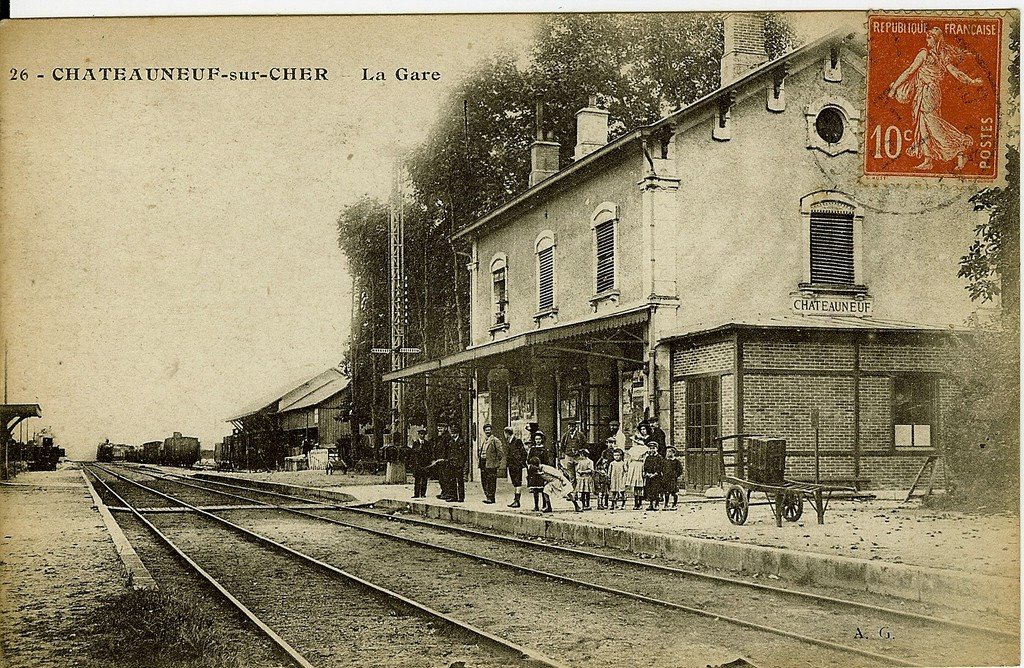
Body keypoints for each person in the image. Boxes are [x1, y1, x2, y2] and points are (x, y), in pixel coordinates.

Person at [887, 26, 984, 171]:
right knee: (923, 126)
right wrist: (971, 81)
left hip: (928, 93)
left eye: (929, 37)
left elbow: (910, 71)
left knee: (934, 126)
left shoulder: (925, 54)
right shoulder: (942, 56)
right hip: (929, 93)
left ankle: (961, 146)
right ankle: (928, 160)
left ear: (936, 40)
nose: (927, 39)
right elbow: (955, 73)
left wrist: (894, 88)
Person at [504, 426, 527, 508]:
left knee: (517, 483)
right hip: (512, 465)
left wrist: (520, 463)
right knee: (515, 483)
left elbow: (523, 453)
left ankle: (517, 501)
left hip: (516, 465)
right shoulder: (510, 442)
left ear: (506, 433)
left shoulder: (517, 441)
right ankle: (516, 500)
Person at [479, 424, 503, 504]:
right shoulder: (484, 440)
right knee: (484, 480)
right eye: (486, 430)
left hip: (491, 463)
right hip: (483, 462)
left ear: (491, 430)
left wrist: (495, 461)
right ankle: (487, 496)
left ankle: (491, 497)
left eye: (489, 430)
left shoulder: (495, 440)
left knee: (491, 481)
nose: (487, 431)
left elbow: (500, 453)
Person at [558, 420, 586, 484]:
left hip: (578, 456)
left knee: (578, 473)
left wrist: (579, 451)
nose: (571, 428)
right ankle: (573, 490)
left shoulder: (580, 435)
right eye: (570, 426)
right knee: (571, 474)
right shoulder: (565, 435)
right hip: (568, 456)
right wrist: (566, 452)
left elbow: (585, 445)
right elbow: (562, 446)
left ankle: (578, 490)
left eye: (573, 426)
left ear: (575, 427)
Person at [446, 423, 468, 503]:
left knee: (460, 481)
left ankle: (461, 497)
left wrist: (461, 464)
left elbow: (464, 454)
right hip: (451, 464)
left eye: (454, 433)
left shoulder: (461, 442)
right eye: (452, 433)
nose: (453, 435)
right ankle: (453, 496)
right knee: (452, 481)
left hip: (458, 465)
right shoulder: (450, 442)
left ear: (457, 433)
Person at [624, 436, 648, 510]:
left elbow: (645, 460)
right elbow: (628, 460)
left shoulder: (644, 449)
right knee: (635, 486)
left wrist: (644, 469)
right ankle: (636, 503)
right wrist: (627, 468)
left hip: (640, 466)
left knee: (639, 486)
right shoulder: (632, 450)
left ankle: (639, 503)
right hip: (633, 466)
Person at [430, 422, 451, 500]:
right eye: (438, 428)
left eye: (441, 428)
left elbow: (447, 450)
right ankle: (443, 492)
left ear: (445, 428)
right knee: (441, 478)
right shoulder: (439, 437)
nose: (439, 429)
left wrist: (445, 458)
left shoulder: (447, 437)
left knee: (446, 477)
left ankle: (447, 493)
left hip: (444, 460)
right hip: (439, 460)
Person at [642, 441, 664, 511]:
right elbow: (645, 466)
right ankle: (651, 504)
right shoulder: (648, 457)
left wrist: (655, 473)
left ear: (657, 448)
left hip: (656, 477)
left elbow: (661, 467)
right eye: (651, 448)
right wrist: (647, 473)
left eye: (653, 448)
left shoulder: (659, 457)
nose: (652, 450)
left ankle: (656, 504)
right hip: (649, 476)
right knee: (650, 490)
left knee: (656, 490)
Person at [409, 427, 430, 498]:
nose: (422, 436)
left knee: (424, 480)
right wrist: (412, 464)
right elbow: (412, 454)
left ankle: (423, 494)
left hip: (425, 465)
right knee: (417, 480)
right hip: (417, 464)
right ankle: (416, 494)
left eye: (423, 434)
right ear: (419, 435)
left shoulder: (427, 444)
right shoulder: (415, 443)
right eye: (421, 434)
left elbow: (429, 453)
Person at [594, 437, 614, 510]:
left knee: (611, 488)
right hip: (605, 471)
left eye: (613, 443)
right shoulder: (604, 452)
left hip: (613, 471)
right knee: (604, 488)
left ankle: (611, 503)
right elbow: (599, 463)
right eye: (610, 443)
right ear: (607, 443)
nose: (611, 445)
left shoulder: (616, 452)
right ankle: (602, 503)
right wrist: (601, 468)